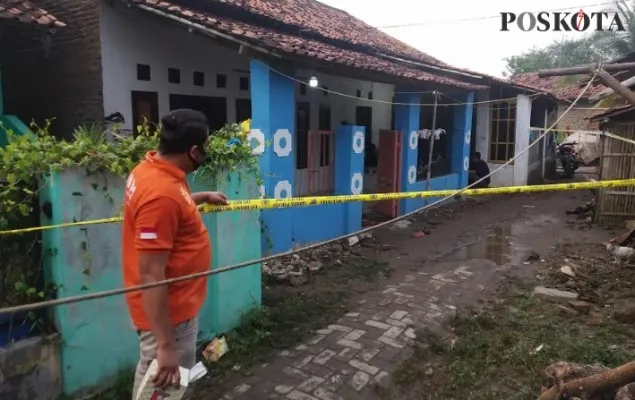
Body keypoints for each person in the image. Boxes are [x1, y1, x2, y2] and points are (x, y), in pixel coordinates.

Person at [122, 109, 229, 399]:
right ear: (193, 150)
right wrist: (166, 345)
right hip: (170, 317)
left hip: (175, 311)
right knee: (162, 389)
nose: (205, 152)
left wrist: (202, 196)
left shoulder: (152, 170)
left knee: (165, 386)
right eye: (204, 147)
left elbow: (174, 207)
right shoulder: (160, 195)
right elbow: (150, 273)